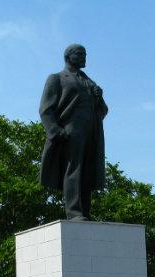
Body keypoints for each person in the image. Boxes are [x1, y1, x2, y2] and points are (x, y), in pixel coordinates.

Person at [39, 44, 108, 221]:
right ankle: (74, 212)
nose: (84, 57)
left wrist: (99, 98)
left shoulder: (89, 82)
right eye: (80, 53)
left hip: (91, 132)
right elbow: (46, 109)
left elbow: (102, 112)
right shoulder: (57, 78)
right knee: (73, 170)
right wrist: (54, 130)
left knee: (87, 172)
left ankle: (85, 212)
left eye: (85, 54)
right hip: (71, 131)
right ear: (68, 56)